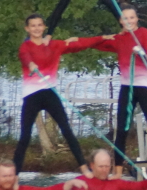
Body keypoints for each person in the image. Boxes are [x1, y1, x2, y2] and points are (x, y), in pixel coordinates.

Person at [73, 4, 147, 177]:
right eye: (125, 18)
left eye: (132, 18)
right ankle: (117, 172)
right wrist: (78, 41)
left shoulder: (145, 34)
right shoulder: (120, 38)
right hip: (127, 87)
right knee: (121, 130)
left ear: (137, 19)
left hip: (145, 86)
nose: (129, 21)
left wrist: (142, 53)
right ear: (120, 20)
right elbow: (99, 43)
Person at [13, 14, 103, 176]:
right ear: (27, 29)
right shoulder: (25, 47)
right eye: (33, 26)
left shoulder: (54, 45)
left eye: (39, 25)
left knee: (66, 130)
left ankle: (84, 169)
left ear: (44, 27)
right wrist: (31, 64)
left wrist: (101, 38)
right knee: (25, 136)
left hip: (50, 94)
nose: (36, 28)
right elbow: (25, 57)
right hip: (32, 96)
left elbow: (79, 44)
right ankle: (14, 175)